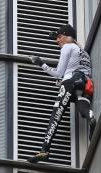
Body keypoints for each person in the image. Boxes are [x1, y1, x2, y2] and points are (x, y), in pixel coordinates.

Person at [27, 24, 96, 163]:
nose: (57, 41)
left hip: (70, 81)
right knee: (82, 104)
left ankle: (44, 150)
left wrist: (41, 63)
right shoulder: (84, 53)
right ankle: (90, 116)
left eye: (59, 37)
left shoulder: (67, 47)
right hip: (85, 83)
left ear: (68, 36)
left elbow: (58, 73)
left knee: (56, 115)